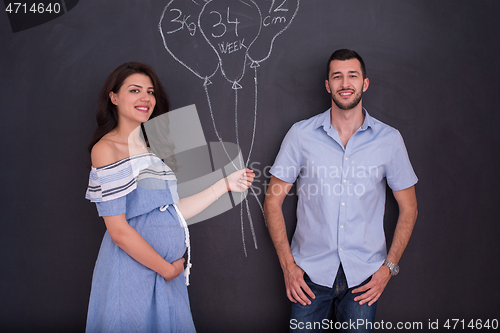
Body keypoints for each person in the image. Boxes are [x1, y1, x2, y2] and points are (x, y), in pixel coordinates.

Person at [85, 62, 254, 333]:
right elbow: (117, 230)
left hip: (166, 277)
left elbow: (171, 211)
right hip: (134, 274)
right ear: (114, 97)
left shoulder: (152, 148)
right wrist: (165, 269)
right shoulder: (106, 149)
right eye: (135, 90)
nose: (145, 98)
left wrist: (224, 185)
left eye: (150, 92)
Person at [264, 49, 418, 332]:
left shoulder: (390, 140)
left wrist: (389, 269)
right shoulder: (301, 135)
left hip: (364, 280)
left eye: (352, 76)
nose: (345, 83)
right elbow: (272, 202)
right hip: (308, 278)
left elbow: (409, 208)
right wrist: (288, 266)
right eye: (337, 76)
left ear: (365, 83)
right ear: (327, 85)